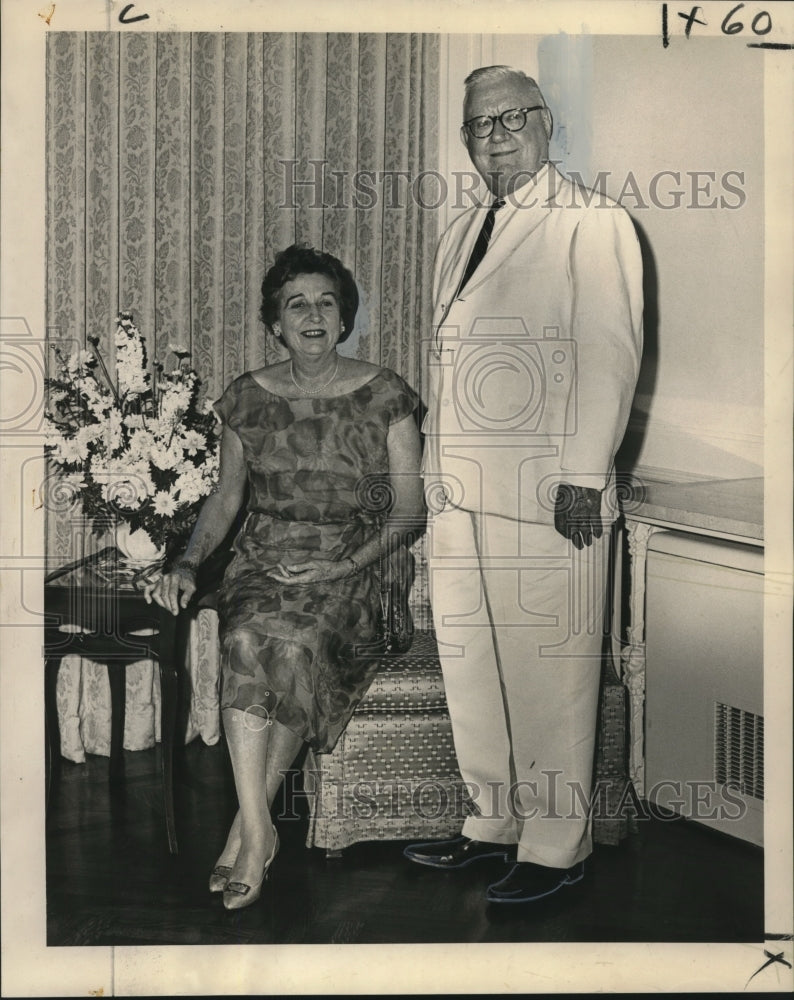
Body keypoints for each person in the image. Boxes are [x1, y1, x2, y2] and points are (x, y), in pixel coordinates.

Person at [404, 66, 643, 903]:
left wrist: (584, 477)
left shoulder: (593, 221)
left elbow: (608, 355)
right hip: (460, 492)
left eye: (513, 118)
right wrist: (434, 478)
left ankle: (555, 844)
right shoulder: (459, 227)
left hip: (551, 494)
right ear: (466, 140)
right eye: (480, 124)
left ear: (546, 124)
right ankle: (491, 821)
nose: (496, 135)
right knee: (472, 664)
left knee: (551, 671)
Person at [145, 244, 423, 910]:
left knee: (297, 645)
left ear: (344, 314)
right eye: (297, 303)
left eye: (327, 301)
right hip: (265, 557)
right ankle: (259, 826)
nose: (314, 314)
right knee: (248, 640)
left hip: (360, 561)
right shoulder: (246, 397)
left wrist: (341, 564)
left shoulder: (386, 393)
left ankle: (247, 833)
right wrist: (186, 560)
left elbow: (410, 511)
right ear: (276, 322)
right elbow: (225, 498)